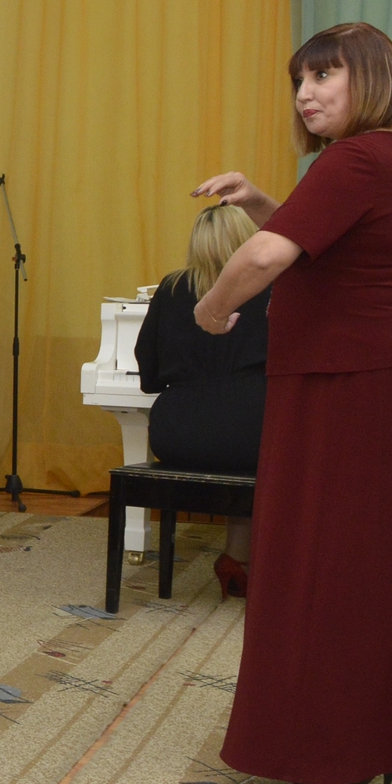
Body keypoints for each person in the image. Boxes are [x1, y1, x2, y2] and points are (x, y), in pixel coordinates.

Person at [191, 22, 392, 784]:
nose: (306, 93)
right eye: (300, 79)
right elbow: (330, 244)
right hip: (368, 376)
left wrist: (211, 310)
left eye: (325, 75)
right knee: (359, 560)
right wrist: (263, 201)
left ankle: (333, 752)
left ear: (372, 78)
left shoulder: (356, 160)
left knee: (322, 564)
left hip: (341, 383)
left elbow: (268, 256)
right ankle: (357, 739)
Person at [137, 204, 271, 591]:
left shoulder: (170, 288)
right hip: (251, 430)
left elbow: (149, 376)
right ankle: (268, 561)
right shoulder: (272, 288)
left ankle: (237, 559)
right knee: (274, 449)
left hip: (176, 435)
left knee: (232, 443)